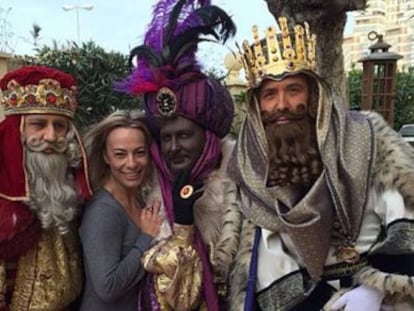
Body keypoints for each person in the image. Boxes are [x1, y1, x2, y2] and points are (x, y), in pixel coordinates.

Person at [228, 17, 414, 311]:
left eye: (293, 90)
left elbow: (404, 213)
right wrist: (325, 305)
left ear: (313, 94)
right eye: (269, 94)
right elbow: (269, 258)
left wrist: (377, 289)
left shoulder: (365, 136)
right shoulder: (252, 167)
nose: (282, 105)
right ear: (257, 105)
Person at [117, 0, 241, 309]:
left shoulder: (243, 179)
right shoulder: (147, 191)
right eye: (166, 137)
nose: (173, 147)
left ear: (208, 137)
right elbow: (169, 293)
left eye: (185, 135)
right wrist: (183, 224)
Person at [0, 65, 92, 310]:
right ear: (15, 131)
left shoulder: (72, 190)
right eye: (38, 124)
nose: (51, 136)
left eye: (60, 126)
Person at [79, 110, 162, 311]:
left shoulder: (140, 201)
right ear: (106, 157)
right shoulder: (103, 211)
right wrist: (145, 238)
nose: (131, 163)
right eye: (120, 154)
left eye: (139, 153)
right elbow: (108, 287)